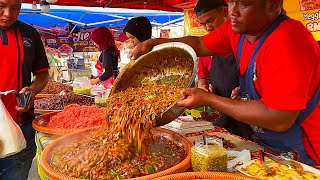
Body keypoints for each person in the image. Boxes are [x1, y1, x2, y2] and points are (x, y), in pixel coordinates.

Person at [130, 0, 320, 165]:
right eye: (232, 2)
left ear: (272, 4)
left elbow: (279, 118)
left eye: (244, 4)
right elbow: (199, 44)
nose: (233, 12)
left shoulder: (288, 40)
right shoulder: (238, 30)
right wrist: (157, 44)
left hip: (306, 153)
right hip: (267, 144)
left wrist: (209, 99)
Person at [0, 0, 50, 179]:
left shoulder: (30, 34)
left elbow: (43, 75)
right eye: (1, 6)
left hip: (22, 129)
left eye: (15, 8)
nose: (8, 13)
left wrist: (32, 91)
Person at [194, 0, 252, 139]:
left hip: (250, 120)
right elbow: (203, 79)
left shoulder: (246, 40)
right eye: (203, 24)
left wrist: (245, 93)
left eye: (210, 20)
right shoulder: (206, 49)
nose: (208, 28)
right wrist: (205, 90)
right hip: (221, 119)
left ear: (226, 12)